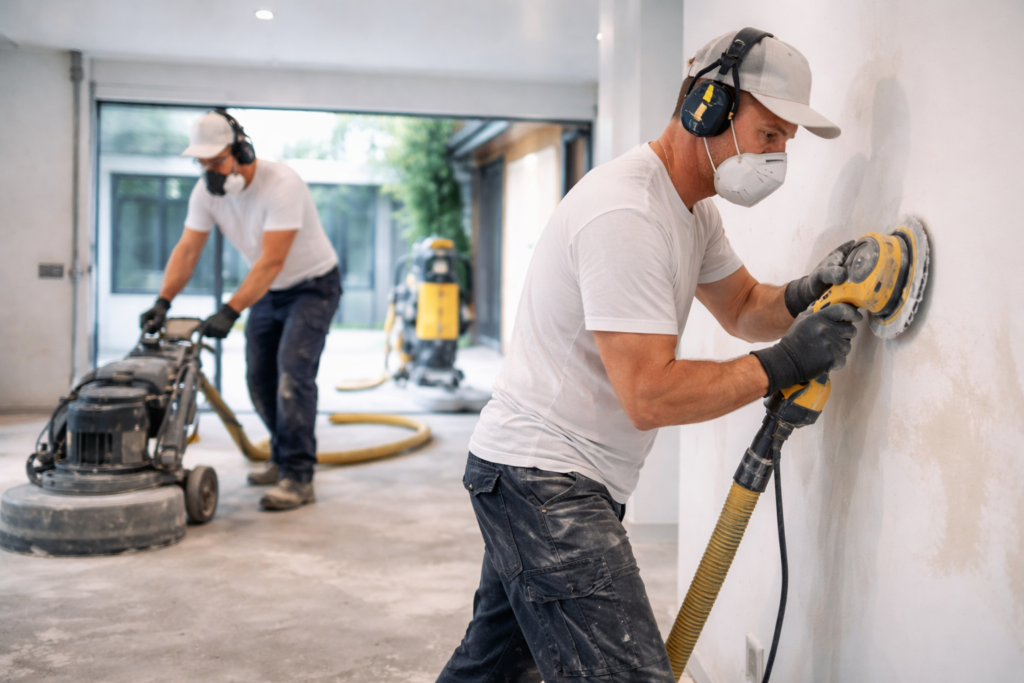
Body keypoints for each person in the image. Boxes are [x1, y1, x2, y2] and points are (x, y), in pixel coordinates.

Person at [438, 29, 860, 683]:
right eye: (770, 134)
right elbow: (649, 395)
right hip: (544, 479)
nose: (777, 158)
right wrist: (784, 363)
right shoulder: (626, 212)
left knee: (492, 666)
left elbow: (745, 304)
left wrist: (809, 291)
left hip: (540, 473)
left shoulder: (689, 208)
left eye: (785, 143)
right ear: (708, 107)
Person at [139, 110, 341, 511]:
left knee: (292, 374)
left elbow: (271, 261)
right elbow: (188, 249)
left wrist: (230, 310)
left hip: (312, 285)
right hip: (268, 288)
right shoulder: (206, 194)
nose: (209, 172)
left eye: (216, 161)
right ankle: (282, 455)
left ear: (242, 150)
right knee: (258, 378)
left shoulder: (281, 184)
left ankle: (299, 477)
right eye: (202, 163)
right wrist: (163, 301)